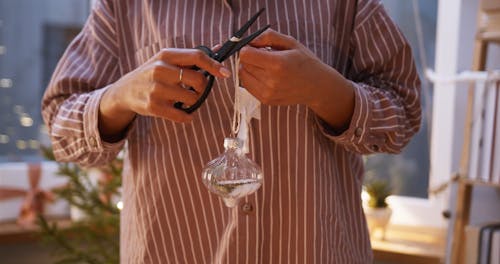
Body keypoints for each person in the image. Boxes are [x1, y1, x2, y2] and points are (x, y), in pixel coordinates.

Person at [42, 0, 421, 263]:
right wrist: (119, 97)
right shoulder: (125, 8)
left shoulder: (346, 6)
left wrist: (327, 91)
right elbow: (62, 132)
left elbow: (404, 115)